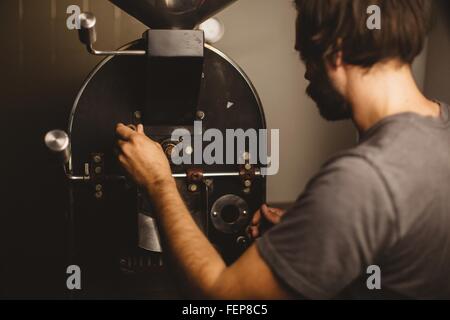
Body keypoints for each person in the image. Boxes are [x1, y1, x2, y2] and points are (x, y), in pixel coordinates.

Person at [115, 0, 450, 299]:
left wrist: (158, 182)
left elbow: (222, 298)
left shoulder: (361, 180)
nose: (306, 74)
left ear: (335, 51)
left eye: (306, 56)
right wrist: (313, 231)